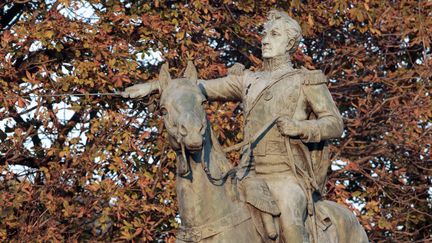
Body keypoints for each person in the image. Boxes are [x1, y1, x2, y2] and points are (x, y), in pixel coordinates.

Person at [122, 10, 343, 243]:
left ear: (289, 42)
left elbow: (335, 124)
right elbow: (196, 86)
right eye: (265, 33)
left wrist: (299, 127)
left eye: (274, 34)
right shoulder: (247, 80)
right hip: (247, 173)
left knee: (290, 220)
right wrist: (153, 86)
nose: (265, 39)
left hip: (286, 175)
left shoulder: (305, 80)